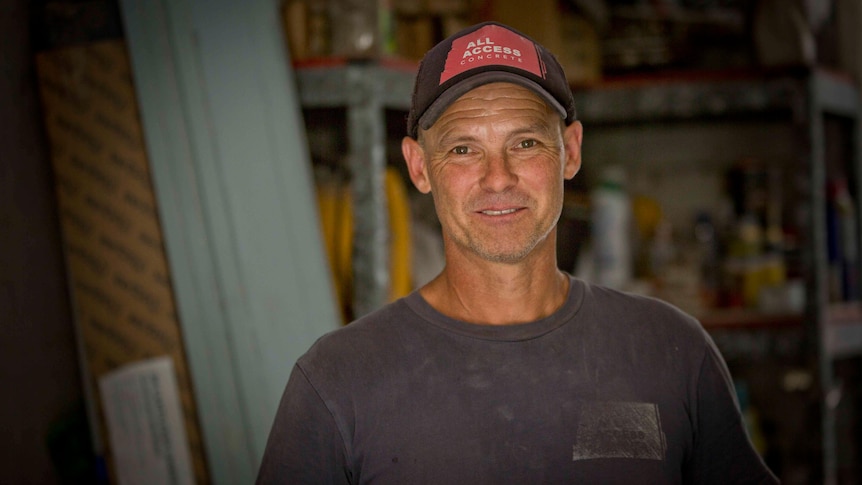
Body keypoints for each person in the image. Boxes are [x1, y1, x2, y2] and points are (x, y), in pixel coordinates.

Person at [257, 21, 779, 484]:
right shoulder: (337, 381)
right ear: (418, 167)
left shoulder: (671, 352)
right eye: (463, 149)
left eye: (525, 143)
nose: (498, 178)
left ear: (570, 152)